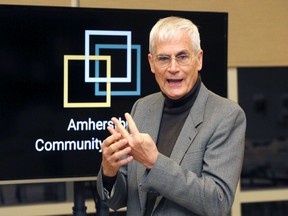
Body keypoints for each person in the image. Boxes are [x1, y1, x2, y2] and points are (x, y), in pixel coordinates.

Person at [97, 16, 246, 216]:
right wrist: (109, 171)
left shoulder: (226, 115)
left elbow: (217, 202)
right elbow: (119, 200)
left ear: (198, 59)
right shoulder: (141, 108)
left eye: (182, 56)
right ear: (151, 63)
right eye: (164, 58)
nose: (173, 68)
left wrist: (154, 162)